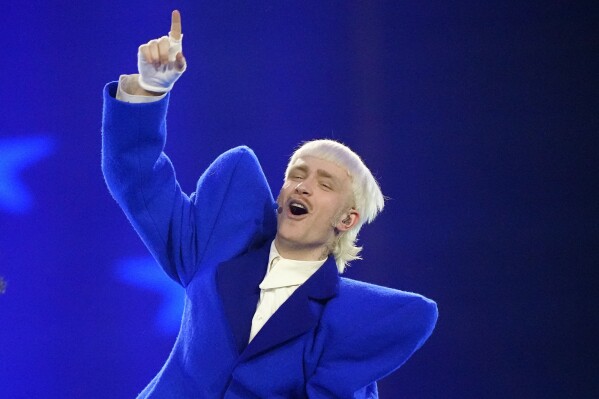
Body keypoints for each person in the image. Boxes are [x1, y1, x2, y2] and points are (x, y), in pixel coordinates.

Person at [102, 10, 437, 398]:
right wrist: (150, 89)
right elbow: (135, 177)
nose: (303, 186)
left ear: (348, 218)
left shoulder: (346, 321)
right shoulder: (215, 247)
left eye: (324, 183)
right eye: (297, 174)